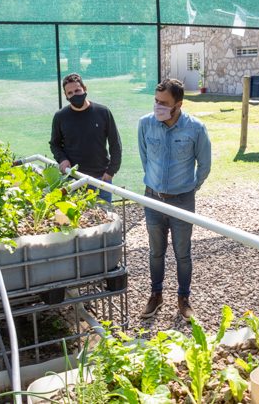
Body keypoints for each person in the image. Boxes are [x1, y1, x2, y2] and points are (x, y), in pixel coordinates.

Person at [138, 78, 211, 319]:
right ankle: (156, 295)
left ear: (178, 104)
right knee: (155, 252)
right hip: (153, 199)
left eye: (164, 103)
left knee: (183, 253)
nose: (158, 106)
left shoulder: (195, 128)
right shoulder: (146, 124)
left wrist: (191, 188)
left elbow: (205, 164)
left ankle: (183, 299)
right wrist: (155, 185)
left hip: (182, 200)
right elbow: (145, 158)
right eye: (156, 101)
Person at [50, 73, 122, 203]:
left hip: (101, 179)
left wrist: (111, 171)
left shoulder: (103, 112)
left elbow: (115, 144)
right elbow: (54, 144)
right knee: (77, 219)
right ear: (66, 96)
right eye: (70, 93)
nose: (74, 95)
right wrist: (62, 159)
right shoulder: (60, 116)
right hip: (73, 179)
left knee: (105, 217)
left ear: (85, 88)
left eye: (77, 90)